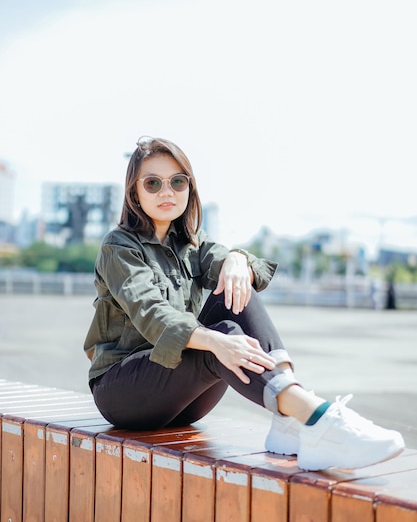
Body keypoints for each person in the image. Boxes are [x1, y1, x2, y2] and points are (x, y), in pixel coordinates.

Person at [84, 136, 404, 471]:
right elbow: (153, 315)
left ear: (189, 188)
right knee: (219, 335)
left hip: (184, 400)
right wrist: (217, 340)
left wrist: (238, 261)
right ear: (134, 192)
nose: (167, 192)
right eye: (153, 183)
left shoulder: (192, 242)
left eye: (177, 182)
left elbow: (234, 266)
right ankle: (316, 418)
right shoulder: (118, 247)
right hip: (124, 393)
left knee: (237, 290)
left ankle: (289, 422)